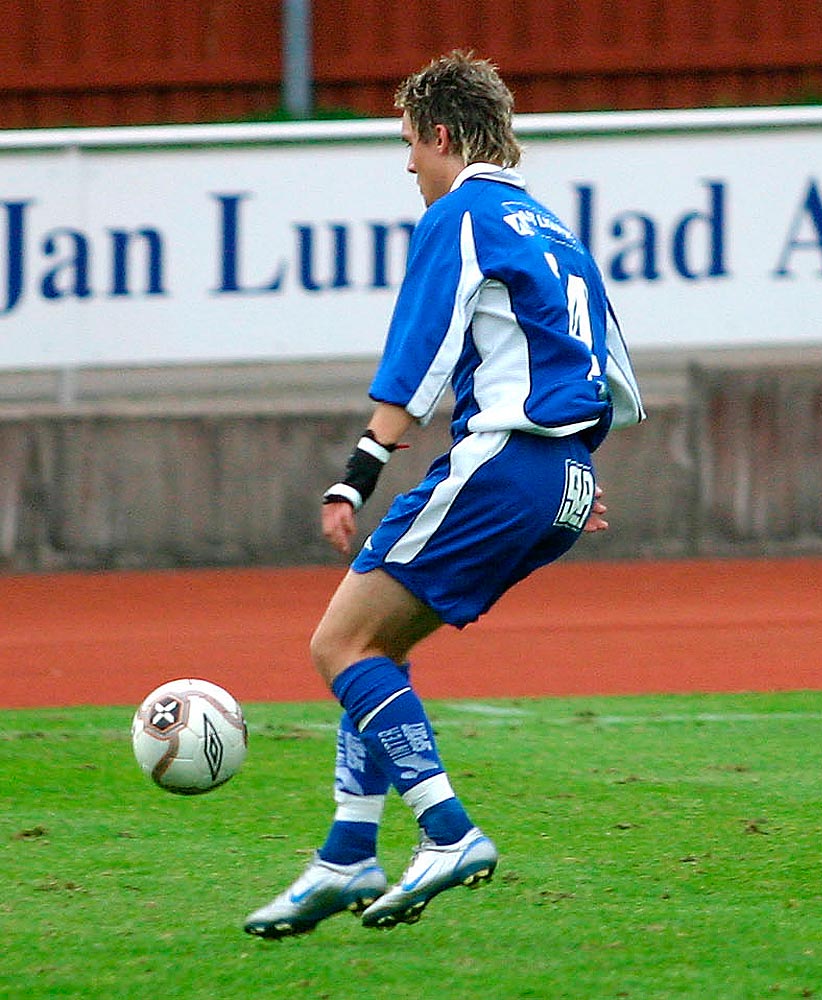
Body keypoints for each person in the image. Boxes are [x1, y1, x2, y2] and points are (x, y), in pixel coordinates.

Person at [244, 50, 644, 936]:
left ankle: (446, 828)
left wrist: (354, 474)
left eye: (409, 145)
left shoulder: (461, 213)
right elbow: (608, 369)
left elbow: (415, 358)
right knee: (379, 646)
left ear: (443, 135)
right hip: (562, 474)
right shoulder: (553, 229)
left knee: (337, 646)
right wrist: (577, 475)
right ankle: (348, 854)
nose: (407, 166)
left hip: (503, 462)